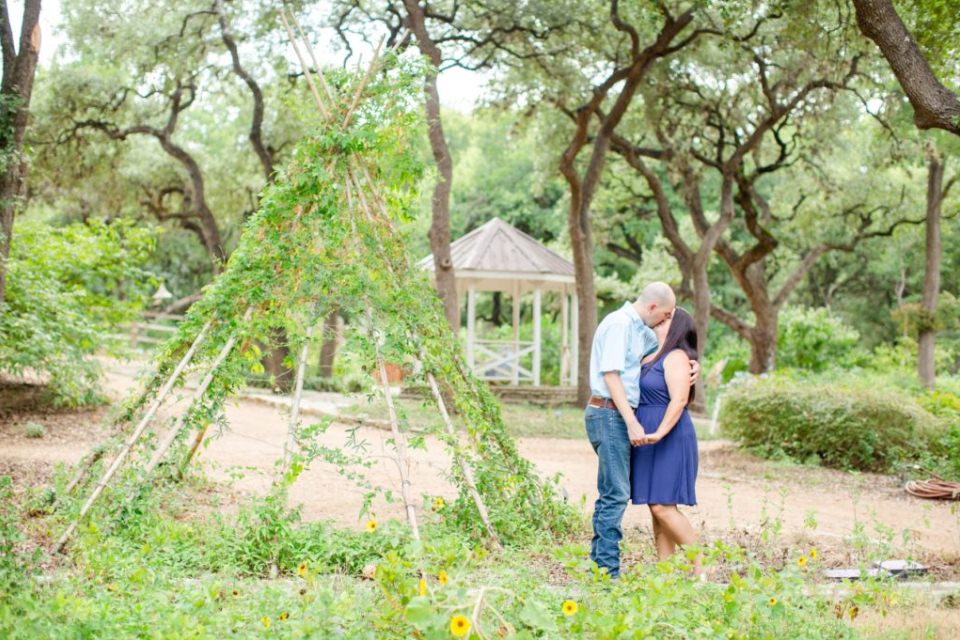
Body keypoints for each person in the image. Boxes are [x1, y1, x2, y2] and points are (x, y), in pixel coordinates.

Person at [585, 282, 698, 578]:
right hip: (611, 415)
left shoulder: (640, 332)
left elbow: (673, 359)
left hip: (641, 426)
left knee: (627, 497)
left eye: (669, 317)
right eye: (665, 313)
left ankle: (678, 571)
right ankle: (606, 573)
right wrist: (633, 422)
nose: (664, 319)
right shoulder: (621, 326)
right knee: (617, 494)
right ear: (652, 308)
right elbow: (610, 374)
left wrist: (692, 366)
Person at [631, 307, 701, 574]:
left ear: (677, 327)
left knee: (663, 506)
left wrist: (660, 432)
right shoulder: (650, 354)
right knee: (655, 506)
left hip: (668, 436)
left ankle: (702, 566)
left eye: (669, 316)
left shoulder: (676, 357)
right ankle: (665, 573)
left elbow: (680, 399)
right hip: (649, 438)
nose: (662, 317)